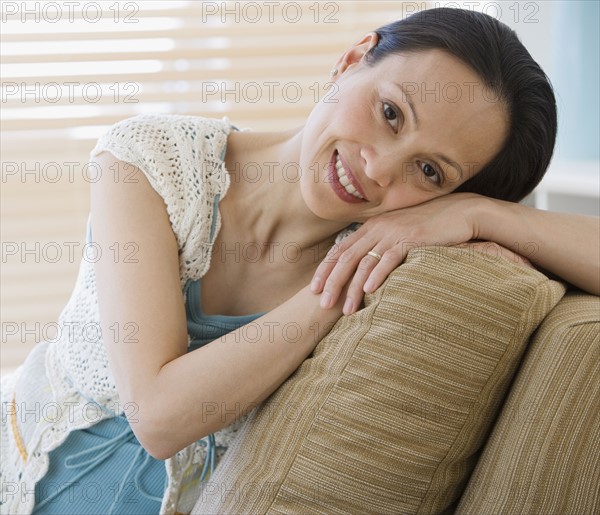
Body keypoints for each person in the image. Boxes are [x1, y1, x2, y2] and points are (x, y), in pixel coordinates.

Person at [1, 7, 598, 515]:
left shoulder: (398, 252)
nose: (379, 167)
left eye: (430, 171)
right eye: (391, 113)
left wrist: (493, 217)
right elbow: (159, 417)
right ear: (352, 58)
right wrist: (328, 296)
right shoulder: (151, 161)